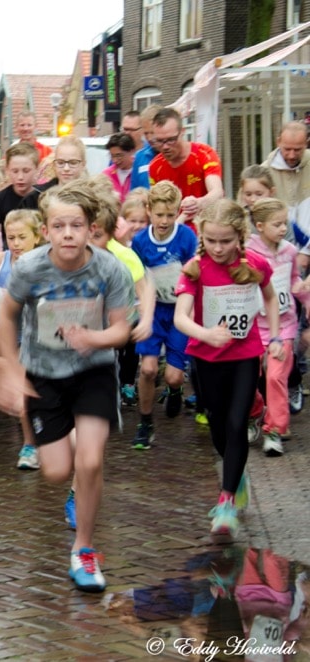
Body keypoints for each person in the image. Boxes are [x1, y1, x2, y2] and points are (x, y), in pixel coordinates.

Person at [0, 180, 133, 592]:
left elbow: (122, 329)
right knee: (56, 472)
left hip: (93, 370)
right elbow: (5, 318)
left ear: (91, 228)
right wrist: (11, 369)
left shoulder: (110, 269)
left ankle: (84, 550)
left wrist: (95, 339)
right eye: (59, 226)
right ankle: (73, 438)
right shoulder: (30, 268)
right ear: (46, 230)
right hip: (44, 374)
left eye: (76, 225)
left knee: (90, 463)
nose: (68, 233)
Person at [173, 199, 281, 539]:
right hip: (205, 359)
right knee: (218, 426)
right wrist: (207, 334)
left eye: (226, 241)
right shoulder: (195, 268)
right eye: (211, 240)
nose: (218, 248)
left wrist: (274, 335)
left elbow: (270, 298)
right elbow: (180, 318)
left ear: (240, 237)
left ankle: (227, 500)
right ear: (201, 236)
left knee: (237, 424)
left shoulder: (256, 264)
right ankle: (238, 476)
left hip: (244, 356)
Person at [131, 181, 197, 449]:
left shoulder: (186, 237)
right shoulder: (140, 241)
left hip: (179, 309)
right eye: (159, 215)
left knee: (173, 375)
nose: (165, 220)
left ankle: (175, 388)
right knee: (147, 369)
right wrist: (140, 308)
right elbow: (137, 277)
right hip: (153, 310)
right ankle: (145, 422)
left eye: (171, 214)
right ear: (149, 210)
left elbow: (195, 273)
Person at [0, 209, 46, 469]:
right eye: (11, 238)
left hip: (31, 338)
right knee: (5, 400)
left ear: (37, 237)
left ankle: (30, 446)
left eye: (22, 237)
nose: (16, 244)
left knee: (23, 398)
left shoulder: (44, 264)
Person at [246, 198, 309, 455]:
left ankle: (274, 431)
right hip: (252, 327)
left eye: (285, 223)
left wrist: (305, 298)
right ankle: (254, 413)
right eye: (277, 224)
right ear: (260, 226)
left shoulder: (290, 252)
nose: (283, 229)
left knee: (275, 376)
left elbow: (295, 280)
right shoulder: (246, 253)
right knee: (249, 379)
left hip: (283, 325)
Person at [148, 107, 224, 228]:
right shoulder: (155, 166)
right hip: (175, 233)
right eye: (160, 141)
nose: (165, 146)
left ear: (182, 132)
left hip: (205, 230)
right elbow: (156, 205)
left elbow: (217, 192)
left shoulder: (204, 154)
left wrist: (199, 203)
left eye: (171, 140)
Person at [0, 142, 39, 227]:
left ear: (36, 169)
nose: (20, 177)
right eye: (15, 171)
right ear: (7, 170)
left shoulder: (45, 198)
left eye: (26, 171)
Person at [261, 122, 310, 211]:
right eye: (287, 149)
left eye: (297, 150)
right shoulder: (263, 172)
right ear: (278, 142)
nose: (292, 155)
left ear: (306, 144)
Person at [130, 105, 162, 190]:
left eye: (152, 132)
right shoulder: (139, 157)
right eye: (146, 133)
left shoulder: (173, 155)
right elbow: (134, 191)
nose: (150, 138)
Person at [104, 133, 137, 203]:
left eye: (119, 155)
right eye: (112, 156)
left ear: (131, 151)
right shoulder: (106, 175)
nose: (115, 160)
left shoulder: (138, 172)